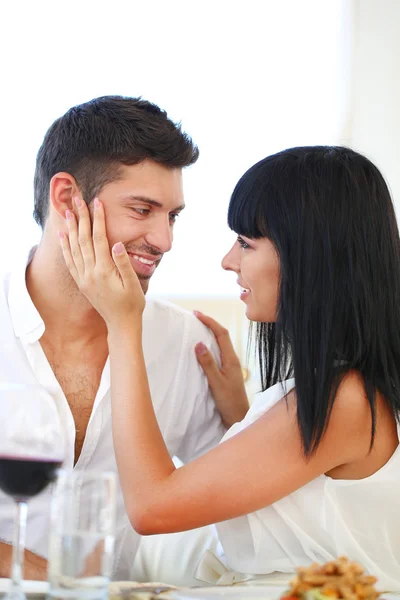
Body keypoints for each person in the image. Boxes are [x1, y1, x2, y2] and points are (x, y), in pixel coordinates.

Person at [62, 145, 400, 591]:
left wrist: (124, 325)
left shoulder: (346, 400)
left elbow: (151, 507)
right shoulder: (346, 392)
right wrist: (242, 417)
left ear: (310, 256)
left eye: (246, 243)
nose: (229, 261)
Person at [0, 95, 249, 581]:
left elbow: (247, 514)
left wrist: (242, 418)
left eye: (172, 216)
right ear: (67, 198)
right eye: (142, 210)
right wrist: (43, 577)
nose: (164, 240)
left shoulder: (187, 345)